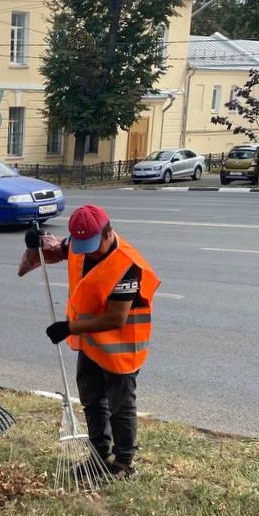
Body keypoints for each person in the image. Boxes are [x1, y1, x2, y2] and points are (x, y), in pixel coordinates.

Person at [23, 204, 159, 481]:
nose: (87, 251)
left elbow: (115, 319)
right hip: (90, 343)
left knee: (120, 405)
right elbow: (60, 250)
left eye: (93, 245)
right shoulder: (79, 244)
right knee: (92, 401)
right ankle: (98, 456)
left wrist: (69, 327)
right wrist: (37, 243)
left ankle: (123, 465)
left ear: (108, 232)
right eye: (82, 244)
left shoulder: (127, 265)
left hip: (122, 348)